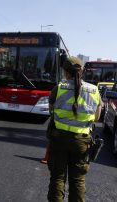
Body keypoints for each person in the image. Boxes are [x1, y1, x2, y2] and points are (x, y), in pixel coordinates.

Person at [47, 56, 102, 202]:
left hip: (59, 139)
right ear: (82, 71)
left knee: (58, 177)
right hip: (81, 142)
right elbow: (96, 118)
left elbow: (51, 110)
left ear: (65, 72)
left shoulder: (58, 88)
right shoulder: (94, 90)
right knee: (77, 180)